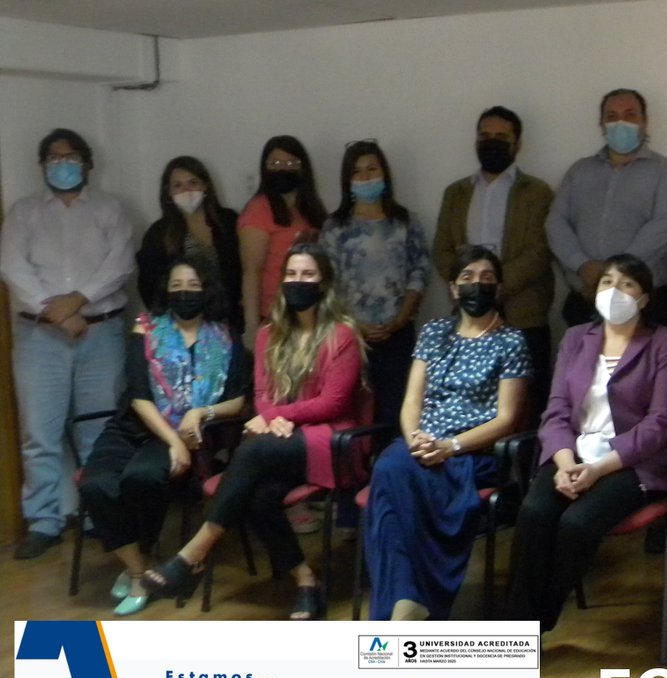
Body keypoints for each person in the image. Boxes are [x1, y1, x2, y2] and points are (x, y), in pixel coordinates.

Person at [142, 244, 363, 620]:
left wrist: (279, 415)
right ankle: (306, 582)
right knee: (258, 496)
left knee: (254, 450)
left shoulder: (342, 335)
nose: (298, 282)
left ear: (324, 283)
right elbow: (261, 395)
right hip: (280, 438)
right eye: (291, 274)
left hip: (332, 439)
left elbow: (334, 403)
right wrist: (273, 417)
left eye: (308, 274)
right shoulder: (267, 334)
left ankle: (194, 553)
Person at [507, 254, 667, 629]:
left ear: (644, 299)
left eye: (627, 284)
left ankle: (534, 622)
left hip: (632, 463)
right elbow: (556, 410)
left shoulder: (665, 343)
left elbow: (662, 423)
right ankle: (517, 630)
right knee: (534, 513)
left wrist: (599, 469)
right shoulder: (576, 338)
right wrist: (564, 463)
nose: (614, 290)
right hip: (573, 455)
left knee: (576, 524)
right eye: (607, 282)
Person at [364, 247, 530, 620]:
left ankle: (406, 604)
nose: (477, 285)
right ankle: (407, 601)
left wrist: (449, 447)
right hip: (421, 443)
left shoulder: (511, 341)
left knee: (398, 483)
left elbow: (507, 419)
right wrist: (415, 439)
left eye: (487, 278)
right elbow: (412, 400)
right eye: (467, 278)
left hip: (472, 451)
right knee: (390, 468)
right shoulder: (434, 332)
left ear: (498, 288)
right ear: (453, 288)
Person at [81, 258, 251, 616]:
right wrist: (174, 442)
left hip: (194, 435)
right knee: (95, 483)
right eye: (176, 286)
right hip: (136, 426)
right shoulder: (146, 329)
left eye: (193, 285)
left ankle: (139, 570)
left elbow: (239, 401)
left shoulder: (225, 336)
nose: (184, 292)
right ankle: (139, 570)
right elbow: (139, 396)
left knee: (143, 477)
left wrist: (200, 413)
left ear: (207, 289)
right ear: (165, 291)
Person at [1, 128, 133, 560]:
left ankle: (98, 515)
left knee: (99, 428)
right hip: (39, 336)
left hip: (101, 332)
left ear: (87, 163)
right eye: (54, 158)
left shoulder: (111, 209)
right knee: (40, 432)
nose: (62, 165)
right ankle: (44, 521)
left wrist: (77, 301)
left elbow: (119, 265)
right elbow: (13, 268)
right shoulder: (23, 213)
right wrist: (56, 313)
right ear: (42, 165)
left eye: (70, 157)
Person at [433, 106, 557, 412]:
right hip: (467, 318)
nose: (492, 142)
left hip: (524, 316)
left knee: (527, 408)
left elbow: (539, 252)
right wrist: (470, 289)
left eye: (501, 136)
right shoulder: (456, 193)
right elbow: (442, 250)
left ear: (518, 143)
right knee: (470, 405)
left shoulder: (538, 192)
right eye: (485, 135)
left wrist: (491, 289)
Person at [548, 89, 667, 328]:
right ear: (601, 124)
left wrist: (612, 275)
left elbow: (664, 227)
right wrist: (582, 265)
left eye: (630, 115)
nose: (620, 122)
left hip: (645, 302)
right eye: (611, 116)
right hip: (585, 298)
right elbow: (555, 223)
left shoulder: (664, 172)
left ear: (644, 121)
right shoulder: (579, 171)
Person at [321, 139, 430, 427]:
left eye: (372, 169)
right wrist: (356, 325)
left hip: (399, 331)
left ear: (385, 173)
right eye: (357, 172)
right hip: (350, 335)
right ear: (347, 180)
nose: (366, 177)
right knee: (355, 410)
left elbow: (419, 271)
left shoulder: (405, 221)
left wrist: (400, 318)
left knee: (397, 409)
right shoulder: (335, 227)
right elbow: (328, 283)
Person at [135, 156, 244, 331]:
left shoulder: (228, 221)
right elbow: (148, 285)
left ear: (205, 186)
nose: (186, 190)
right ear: (168, 192)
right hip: (181, 324)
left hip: (230, 320)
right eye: (178, 185)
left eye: (193, 183)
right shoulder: (159, 232)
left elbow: (244, 269)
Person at [239, 135, 326, 345]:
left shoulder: (311, 208)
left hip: (312, 312)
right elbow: (252, 271)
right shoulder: (258, 209)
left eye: (291, 163)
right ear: (265, 167)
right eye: (275, 163)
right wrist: (251, 327)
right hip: (274, 315)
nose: (283, 168)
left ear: (303, 167)